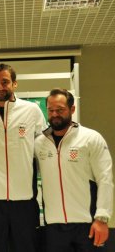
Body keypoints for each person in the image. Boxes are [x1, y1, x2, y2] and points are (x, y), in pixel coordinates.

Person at [0, 63, 46, 252]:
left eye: (5, 82)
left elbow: (42, 146)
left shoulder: (32, 110)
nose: (0, 87)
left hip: (24, 199)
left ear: (15, 84)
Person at [35, 88, 113, 252]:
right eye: (51, 110)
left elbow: (105, 179)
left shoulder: (91, 138)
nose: (55, 114)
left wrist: (102, 218)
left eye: (60, 110)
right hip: (53, 227)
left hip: (88, 224)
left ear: (72, 109)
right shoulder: (39, 143)